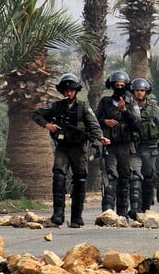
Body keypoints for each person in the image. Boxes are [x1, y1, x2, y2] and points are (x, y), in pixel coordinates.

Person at [32, 73, 110, 228]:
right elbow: (37, 114)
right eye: (66, 90)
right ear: (62, 91)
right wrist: (47, 125)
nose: (69, 93)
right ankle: (58, 214)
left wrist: (100, 137)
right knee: (59, 175)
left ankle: (76, 217)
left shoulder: (83, 108)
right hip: (62, 148)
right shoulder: (56, 106)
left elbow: (93, 125)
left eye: (71, 90)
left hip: (79, 148)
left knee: (80, 179)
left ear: (76, 91)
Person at [95, 70, 141, 217]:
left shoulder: (131, 103)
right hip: (110, 145)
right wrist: (104, 121)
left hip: (125, 146)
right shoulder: (105, 102)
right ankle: (107, 212)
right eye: (117, 85)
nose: (119, 87)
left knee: (125, 178)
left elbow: (136, 124)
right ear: (112, 86)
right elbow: (94, 121)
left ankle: (122, 214)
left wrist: (124, 111)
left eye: (122, 85)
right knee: (109, 177)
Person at [128, 78, 159, 218]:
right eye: (137, 90)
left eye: (142, 90)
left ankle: (145, 207)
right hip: (133, 148)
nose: (139, 93)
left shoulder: (154, 109)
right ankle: (135, 208)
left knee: (148, 177)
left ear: (146, 92)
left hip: (150, 147)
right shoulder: (128, 107)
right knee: (135, 177)